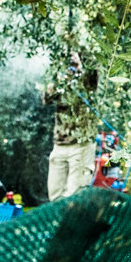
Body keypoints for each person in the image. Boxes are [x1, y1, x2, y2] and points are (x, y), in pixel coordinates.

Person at [44, 51, 99, 201]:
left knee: (75, 196)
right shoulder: (60, 78)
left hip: (81, 144)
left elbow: (93, 76)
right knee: (54, 195)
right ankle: (61, 224)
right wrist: (61, 76)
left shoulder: (87, 76)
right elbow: (46, 98)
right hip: (60, 143)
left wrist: (81, 65)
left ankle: (77, 224)